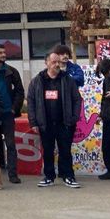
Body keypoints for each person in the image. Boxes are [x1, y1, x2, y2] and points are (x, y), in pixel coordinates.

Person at [26, 51, 82, 188]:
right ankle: (49, 176)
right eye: (54, 62)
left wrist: (74, 117)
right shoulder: (37, 80)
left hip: (65, 122)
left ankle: (68, 176)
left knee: (65, 151)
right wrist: (33, 122)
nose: (57, 64)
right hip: (45, 123)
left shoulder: (67, 79)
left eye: (58, 62)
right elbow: (31, 102)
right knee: (48, 151)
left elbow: (77, 99)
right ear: (46, 63)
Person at [0, 44, 25, 184]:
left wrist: (14, 108)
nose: (3, 54)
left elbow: (20, 91)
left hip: (8, 113)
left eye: (4, 52)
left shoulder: (12, 71)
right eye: (0, 52)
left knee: (11, 144)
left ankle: (13, 174)